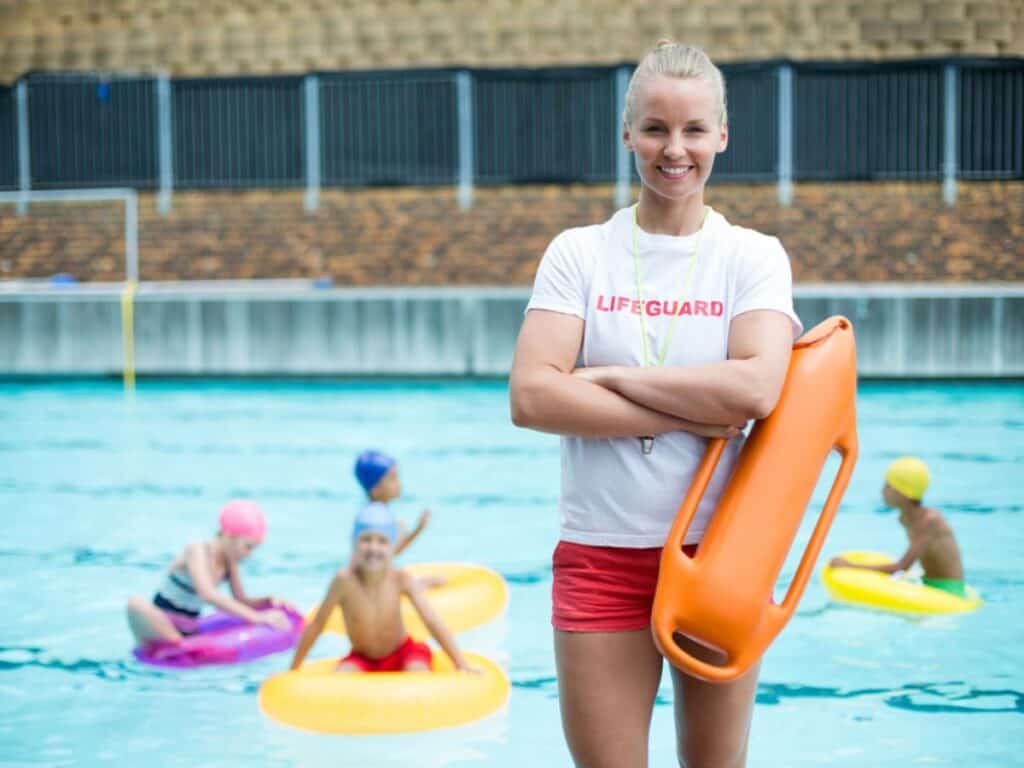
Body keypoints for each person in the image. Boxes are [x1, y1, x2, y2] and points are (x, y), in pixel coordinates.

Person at [509, 40, 802, 768]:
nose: (675, 150)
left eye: (694, 129)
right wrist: (690, 415)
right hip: (601, 556)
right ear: (627, 132)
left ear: (722, 136)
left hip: (721, 557)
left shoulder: (751, 256)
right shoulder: (579, 253)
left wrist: (605, 378)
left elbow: (755, 389)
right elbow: (532, 395)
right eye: (655, 128)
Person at [289, 502, 473, 673]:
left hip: (404, 653)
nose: (373, 547)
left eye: (382, 541)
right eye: (366, 539)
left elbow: (432, 622)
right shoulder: (343, 581)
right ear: (353, 544)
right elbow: (317, 625)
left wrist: (461, 664)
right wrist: (294, 669)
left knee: (417, 672)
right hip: (362, 658)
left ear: (393, 548)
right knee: (340, 677)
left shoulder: (400, 579)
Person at [125, 499, 291, 645]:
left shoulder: (230, 561)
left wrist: (269, 601)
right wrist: (257, 618)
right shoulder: (198, 550)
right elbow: (207, 593)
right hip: (161, 622)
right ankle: (176, 644)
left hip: (189, 627)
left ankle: (181, 644)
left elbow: (241, 600)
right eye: (247, 547)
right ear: (228, 535)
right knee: (135, 603)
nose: (249, 554)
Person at [830, 456, 967, 596]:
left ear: (903, 493)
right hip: (928, 581)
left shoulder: (929, 522)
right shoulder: (905, 518)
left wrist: (850, 566)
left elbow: (903, 567)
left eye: (888, 486)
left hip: (949, 590)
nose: (882, 491)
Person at [354, 449, 431, 557]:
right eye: (392, 479)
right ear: (375, 488)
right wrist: (417, 530)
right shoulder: (375, 518)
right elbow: (384, 557)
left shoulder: (376, 513)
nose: (399, 484)